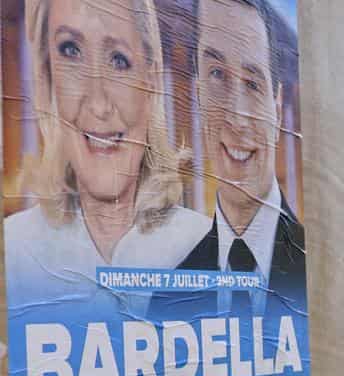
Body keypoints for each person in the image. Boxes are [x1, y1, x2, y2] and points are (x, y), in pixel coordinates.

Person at [5, 0, 208, 310]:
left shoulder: (207, 247)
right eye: (71, 51)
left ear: (150, 81)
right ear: (47, 78)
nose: (99, 104)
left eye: (119, 60)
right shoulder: (13, 248)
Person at [176, 0, 306, 313]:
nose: (236, 117)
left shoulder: (321, 270)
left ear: (276, 110)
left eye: (252, 83)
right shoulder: (169, 297)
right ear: (198, 95)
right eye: (217, 74)